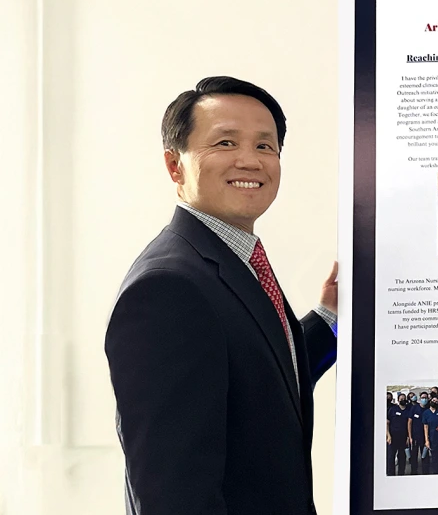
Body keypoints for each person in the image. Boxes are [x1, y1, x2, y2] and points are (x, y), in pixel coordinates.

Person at [104, 76, 338, 515]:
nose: (250, 160)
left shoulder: (227, 259)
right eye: (226, 143)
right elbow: (170, 492)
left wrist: (330, 318)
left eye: (265, 147)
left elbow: (256, 378)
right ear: (176, 166)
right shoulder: (168, 288)